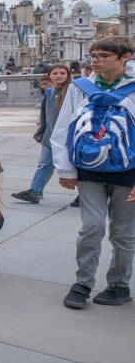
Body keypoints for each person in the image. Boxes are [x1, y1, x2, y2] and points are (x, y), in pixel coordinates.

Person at [51, 36, 135, 309]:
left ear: (125, 57)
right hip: (89, 170)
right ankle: (82, 282)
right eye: (93, 55)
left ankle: (119, 285)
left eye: (103, 55)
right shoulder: (80, 88)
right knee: (91, 227)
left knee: (123, 232)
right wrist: (65, 168)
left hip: (127, 172)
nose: (95, 60)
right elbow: (63, 127)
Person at [12, 64, 71, 204]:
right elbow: (44, 114)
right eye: (55, 73)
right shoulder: (49, 91)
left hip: (68, 137)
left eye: (62, 73)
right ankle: (34, 191)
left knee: (74, 166)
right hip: (50, 136)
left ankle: (83, 195)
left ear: (68, 75)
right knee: (44, 164)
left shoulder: (72, 91)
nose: (58, 76)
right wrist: (41, 132)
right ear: (50, 76)